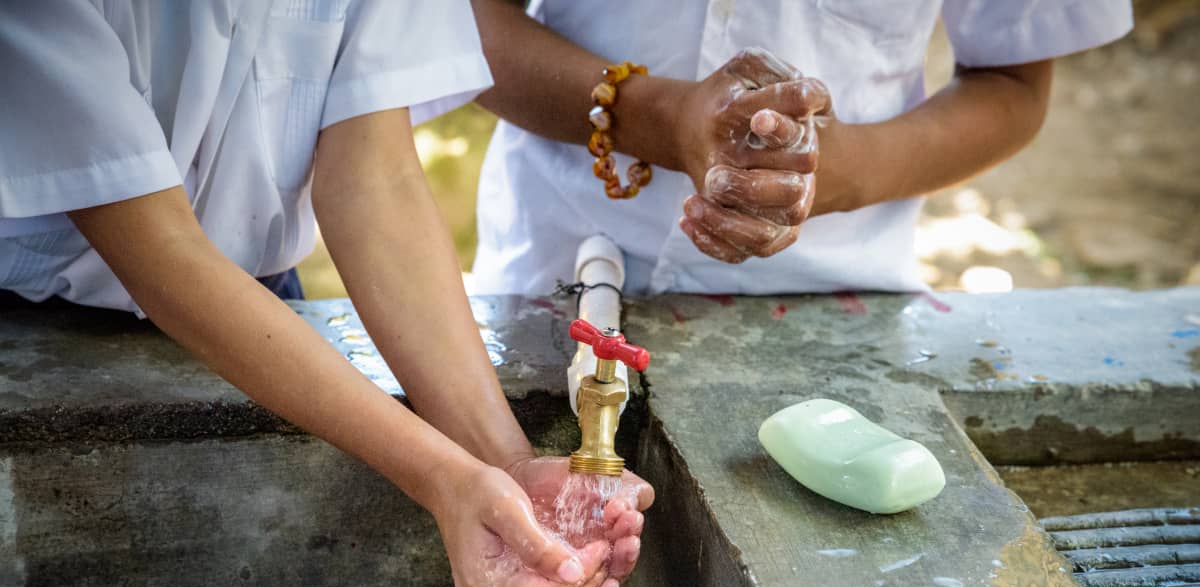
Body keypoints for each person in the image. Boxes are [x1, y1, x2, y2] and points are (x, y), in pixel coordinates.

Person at [0, 0, 650, 587]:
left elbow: (375, 175)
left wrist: (503, 466)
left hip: (259, 303)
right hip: (34, 324)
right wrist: (443, 479)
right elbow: (155, 245)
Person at [468, 0, 1134, 295]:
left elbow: (1013, 82)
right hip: (557, 264)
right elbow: (456, 22)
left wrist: (839, 171)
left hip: (835, 295)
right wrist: (659, 120)